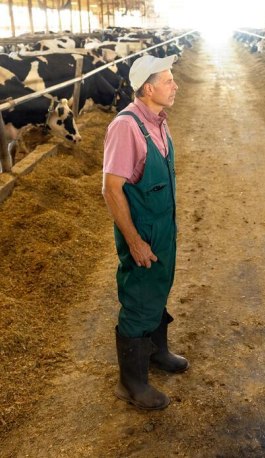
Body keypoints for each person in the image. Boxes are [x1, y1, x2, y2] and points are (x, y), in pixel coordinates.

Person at [102, 54, 186, 410]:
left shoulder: (158, 121)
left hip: (163, 226)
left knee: (158, 287)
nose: (175, 86)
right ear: (148, 89)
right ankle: (131, 384)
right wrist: (134, 241)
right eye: (168, 81)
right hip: (143, 231)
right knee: (139, 299)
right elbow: (111, 189)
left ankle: (156, 351)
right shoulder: (126, 126)